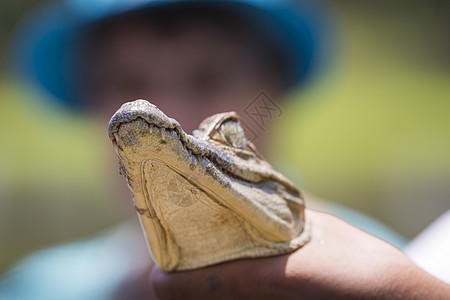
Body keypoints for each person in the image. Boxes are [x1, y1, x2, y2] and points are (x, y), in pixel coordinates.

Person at [1, 0, 449, 299]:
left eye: (208, 79)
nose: (170, 113)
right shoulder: (39, 288)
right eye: (128, 83)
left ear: (274, 94)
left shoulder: (399, 271)